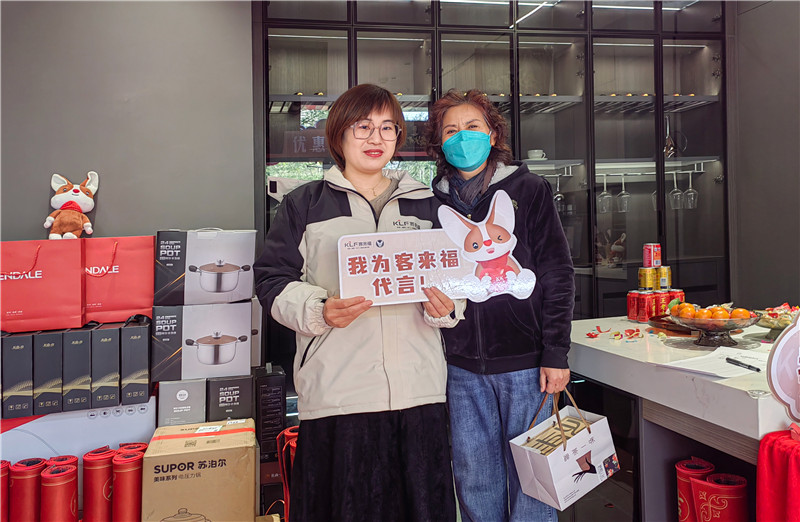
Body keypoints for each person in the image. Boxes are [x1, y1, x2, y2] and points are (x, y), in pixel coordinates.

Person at [254, 83, 461, 522]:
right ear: (339, 133)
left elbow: (454, 282)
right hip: (339, 394)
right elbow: (271, 281)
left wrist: (447, 308)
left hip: (419, 391)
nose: (376, 138)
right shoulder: (304, 204)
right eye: (363, 126)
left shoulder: (430, 205)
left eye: (388, 127)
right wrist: (319, 309)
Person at [424, 88, 575, 522]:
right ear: (439, 143)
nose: (462, 136)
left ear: (493, 135)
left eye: (472, 126)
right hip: (459, 366)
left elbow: (557, 272)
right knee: (474, 475)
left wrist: (555, 352)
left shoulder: (529, 189)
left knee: (533, 477)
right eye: (450, 130)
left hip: (528, 366)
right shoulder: (431, 203)